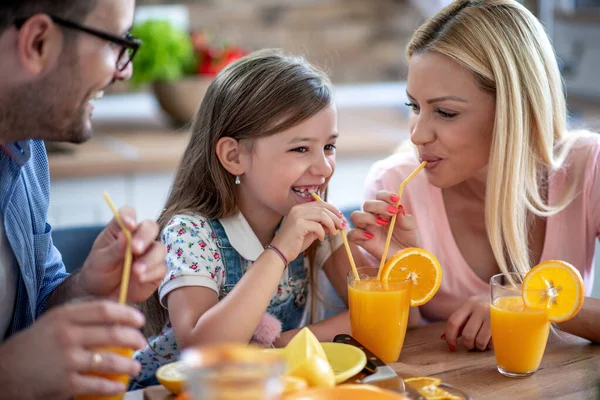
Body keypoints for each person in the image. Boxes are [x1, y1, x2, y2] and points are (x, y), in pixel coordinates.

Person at [349, 0, 600, 352]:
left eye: (446, 112)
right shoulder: (393, 187)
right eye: (414, 106)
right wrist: (403, 279)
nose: (418, 135)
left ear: (516, 109)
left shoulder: (589, 167)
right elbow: (387, 349)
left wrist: (530, 300)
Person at [133, 49, 366, 387]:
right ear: (234, 156)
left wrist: (280, 346)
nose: (324, 167)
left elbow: (373, 318)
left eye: (328, 147)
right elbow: (202, 354)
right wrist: (279, 252)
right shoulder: (190, 234)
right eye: (300, 149)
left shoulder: (318, 226)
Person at [0, 1, 167, 398]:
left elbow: (34, 311)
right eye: (114, 44)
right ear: (38, 42)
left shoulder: (26, 148)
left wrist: (86, 288)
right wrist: (9, 377)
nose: (124, 71)